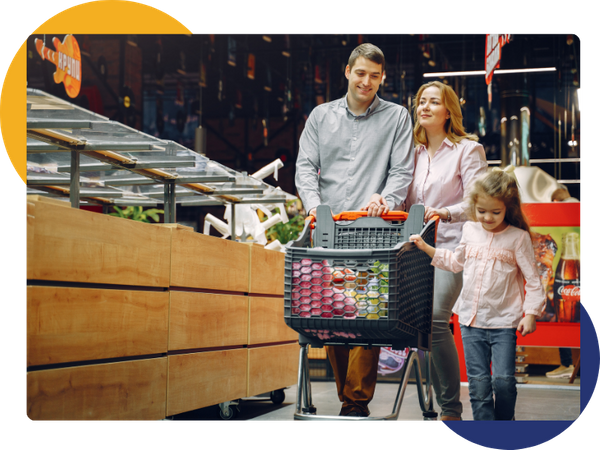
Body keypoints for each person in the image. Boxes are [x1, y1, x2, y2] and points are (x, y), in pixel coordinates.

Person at [295, 43, 414, 417]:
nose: (367, 82)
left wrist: (387, 197)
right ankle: (349, 397)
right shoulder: (320, 116)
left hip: (375, 230)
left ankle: (356, 401)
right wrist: (315, 207)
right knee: (332, 314)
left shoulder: (396, 117)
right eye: (361, 73)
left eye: (375, 76)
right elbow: (305, 167)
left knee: (367, 313)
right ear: (348, 72)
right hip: (328, 231)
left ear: (382, 78)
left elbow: (401, 171)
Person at [410, 166, 546, 420]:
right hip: (470, 322)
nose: (487, 217)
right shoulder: (470, 231)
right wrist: (426, 248)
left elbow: (534, 281)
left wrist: (531, 313)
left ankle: (505, 426)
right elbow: (454, 262)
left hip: (505, 322)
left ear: (509, 207)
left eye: (495, 212)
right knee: (479, 385)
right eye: (481, 211)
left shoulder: (518, 238)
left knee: (504, 381)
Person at [403, 81, 488, 421]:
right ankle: (436, 404)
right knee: (421, 326)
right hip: (413, 248)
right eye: (421, 101)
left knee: (437, 320)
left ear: (448, 111)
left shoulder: (468, 149)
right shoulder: (410, 152)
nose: (424, 107)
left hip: (453, 245)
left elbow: (478, 201)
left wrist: (446, 212)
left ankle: (451, 410)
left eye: (433, 102)